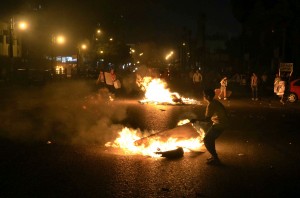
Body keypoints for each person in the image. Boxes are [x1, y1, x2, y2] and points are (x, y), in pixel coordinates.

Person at [201, 88, 229, 165]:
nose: (204, 97)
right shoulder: (214, 102)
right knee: (211, 139)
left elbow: (206, 120)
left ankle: (216, 159)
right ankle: (214, 157)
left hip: (220, 124)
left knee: (206, 140)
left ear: (209, 96)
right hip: (221, 123)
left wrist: (195, 120)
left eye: (205, 95)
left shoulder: (211, 104)